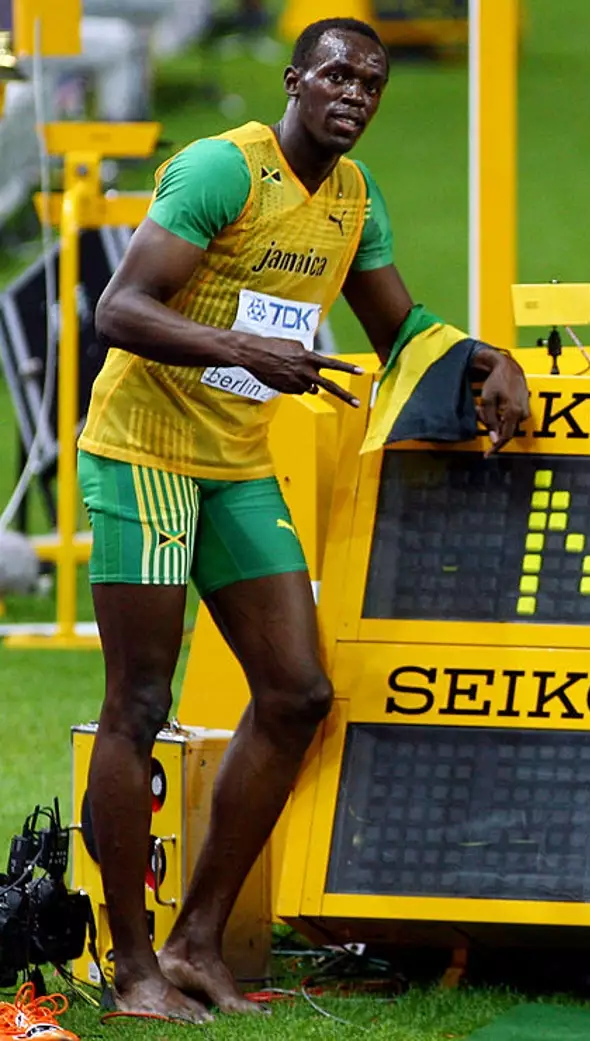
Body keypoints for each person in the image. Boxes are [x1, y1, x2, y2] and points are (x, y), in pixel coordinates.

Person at [80, 16, 531, 1022]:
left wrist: (491, 358)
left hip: (234, 464)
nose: (354, 93)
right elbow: (118, 309)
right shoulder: (220, 172)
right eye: (335, 72)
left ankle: (199, 941)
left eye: (371, 82)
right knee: (139, 704)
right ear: (294, 76)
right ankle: (132, 966)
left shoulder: (354, 201)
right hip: (142, 454)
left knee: (296, 693)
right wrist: (245, 349)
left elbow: (401, 329)